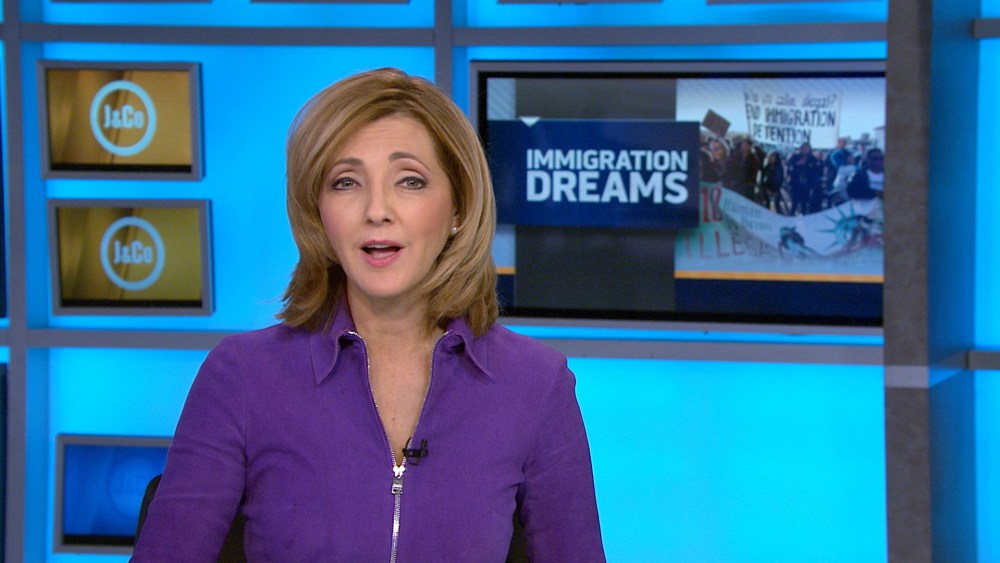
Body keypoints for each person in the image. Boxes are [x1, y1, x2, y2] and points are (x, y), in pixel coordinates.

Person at [132, 68, 606, 561]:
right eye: (346, 182)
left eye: (410, 181)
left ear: (459, 208)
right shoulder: (242, 377)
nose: (377, 210)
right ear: (319, 213)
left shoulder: (536, 383)